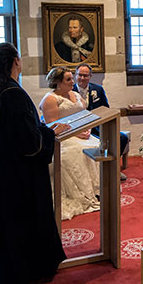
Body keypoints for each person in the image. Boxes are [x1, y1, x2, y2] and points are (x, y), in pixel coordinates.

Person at [0, 43, 66, 284]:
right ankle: (30, 269)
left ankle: (15, 266)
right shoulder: (13, 93)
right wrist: (49, 134)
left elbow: (22, 130)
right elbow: (30, 143)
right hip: (23, 174)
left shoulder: (2, 91)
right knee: (26, 218)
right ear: (15, 62)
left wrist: (43, 130)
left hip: (11, 170)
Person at [38, 66, 101, 219]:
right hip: (63, 137)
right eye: (69, 79)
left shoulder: (75, 95)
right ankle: (84, 194)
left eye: (72, 78)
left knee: (97, 145)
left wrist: (86, 129)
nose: (73, 81)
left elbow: (84, 115)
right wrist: (76, 133)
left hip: (81, 132)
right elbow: (52, 126)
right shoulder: (50, 99)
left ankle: (97, 189)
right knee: (78, 150)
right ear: (58, 82)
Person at [74, 64, 130, 180]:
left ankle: (113, 168)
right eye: (80, 75)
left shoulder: (98, 89)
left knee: (122, 138)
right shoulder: (70, 91)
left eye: (85, 76)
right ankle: (98, 173)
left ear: (90, 76)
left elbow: (106, 109)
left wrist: (107, 127)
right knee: (97, 143)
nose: (82, 78)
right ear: (76, 75)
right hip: (78, 128)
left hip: (97, 126)